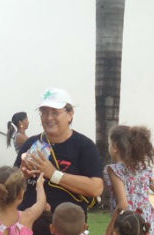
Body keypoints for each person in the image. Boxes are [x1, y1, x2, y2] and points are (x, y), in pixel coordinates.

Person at [16, 87, 104, 222]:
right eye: (44, 112)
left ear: (70, 114)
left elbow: (96, 188)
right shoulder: (31, 143)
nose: (49, 118)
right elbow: (12, 185)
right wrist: (22, 175)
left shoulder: (84, 146)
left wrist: (53, 174)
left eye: (55, 112)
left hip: (68, 230)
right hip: (29, 227)